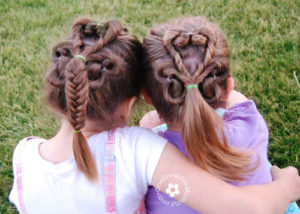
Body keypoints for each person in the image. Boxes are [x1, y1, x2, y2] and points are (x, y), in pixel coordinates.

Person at [9, 17, 300, 214]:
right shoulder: (137, 148)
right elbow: (244, 208)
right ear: (131, 104)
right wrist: (286, 186)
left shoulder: (23, 156)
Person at [140, 16, 300, 213]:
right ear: (228, 87)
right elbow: (236, 98)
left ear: (146, 95)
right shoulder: (248, 122)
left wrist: (150, 124)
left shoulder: (144, 152)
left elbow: (148, 126)